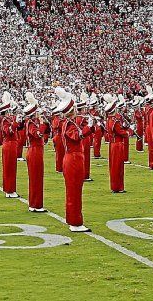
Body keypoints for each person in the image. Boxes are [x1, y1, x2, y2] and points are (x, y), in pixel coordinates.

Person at [56, 87, 92, 232]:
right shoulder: (69, 124)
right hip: (73, 158)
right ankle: (75, 222)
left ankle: (72, 219)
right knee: (74, 191)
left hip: (72, 157)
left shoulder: (69, 123)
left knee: (73, 190)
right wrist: (89, 126)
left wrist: (92, 127)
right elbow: (78, 137)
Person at [22, 94, 47, 212]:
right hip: (34, 151)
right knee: (36, 178)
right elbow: (38, 134)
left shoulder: (33, 122)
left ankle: (34, 204)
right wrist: (42, 124)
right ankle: (36, 204)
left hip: (36, 151)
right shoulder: (31, 124)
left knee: (36, 178)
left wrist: (43, 122)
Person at [106, 95, 131, 191]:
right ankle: (118, 187)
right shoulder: (114, 121)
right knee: (118, 166)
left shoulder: (109, 119)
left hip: (113, 144)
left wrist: (124, 127)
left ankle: (115, 186)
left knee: (114, 166)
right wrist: (129, 131)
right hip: (118, 144)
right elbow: (121, 132)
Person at [0, 93, 20, 198]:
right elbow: (9, 131)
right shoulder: (5, 121)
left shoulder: (7, 120)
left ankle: (9, 188)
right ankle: (10, 190)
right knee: (10, 168)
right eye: (9, 110)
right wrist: (15, 123)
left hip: (11, 144)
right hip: (9, 144)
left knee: (10, 167)